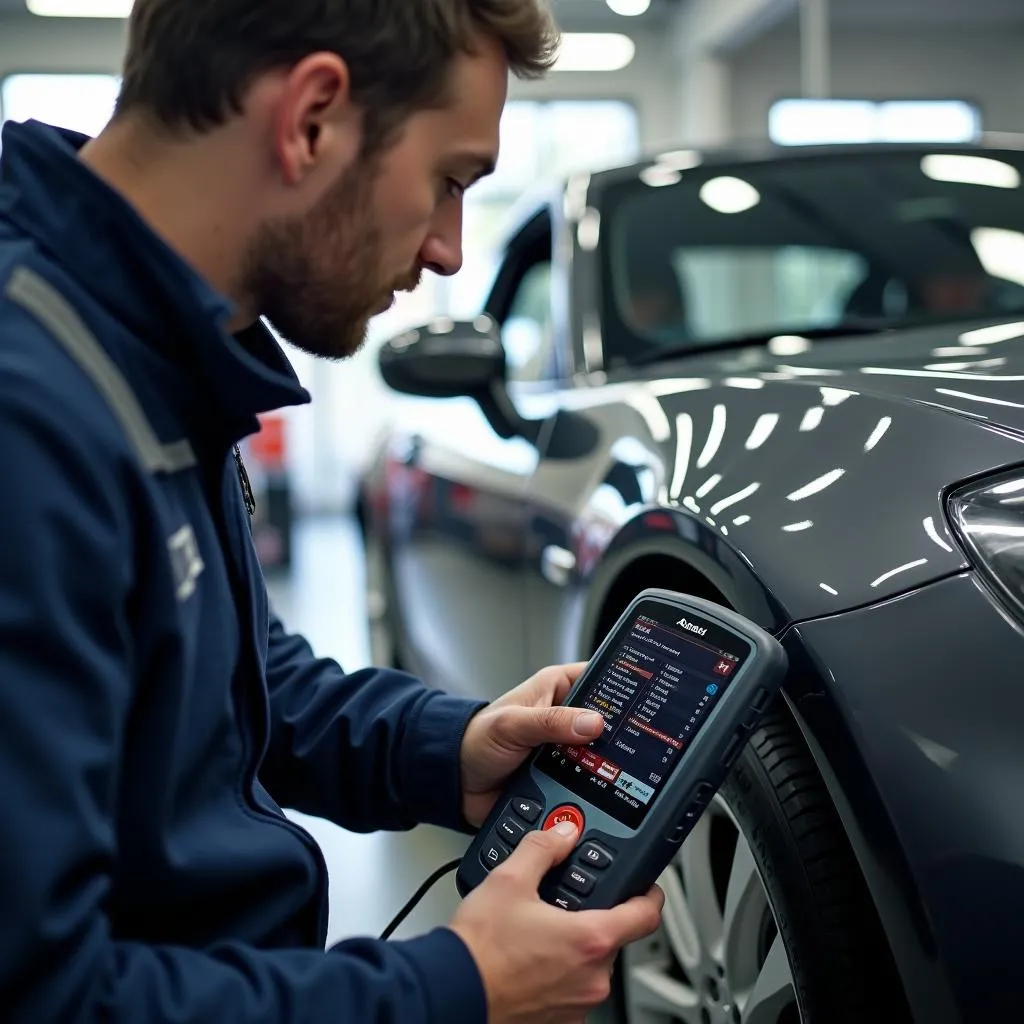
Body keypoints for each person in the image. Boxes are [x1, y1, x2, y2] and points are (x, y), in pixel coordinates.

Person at [0, 2, 663, 1023]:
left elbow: (236, 685)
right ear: (311, 119)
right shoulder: (31, 413)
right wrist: (455, 988)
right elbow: (44, 997)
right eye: (448, 180)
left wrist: (450, 749)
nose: (448, 251)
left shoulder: (142, 346)